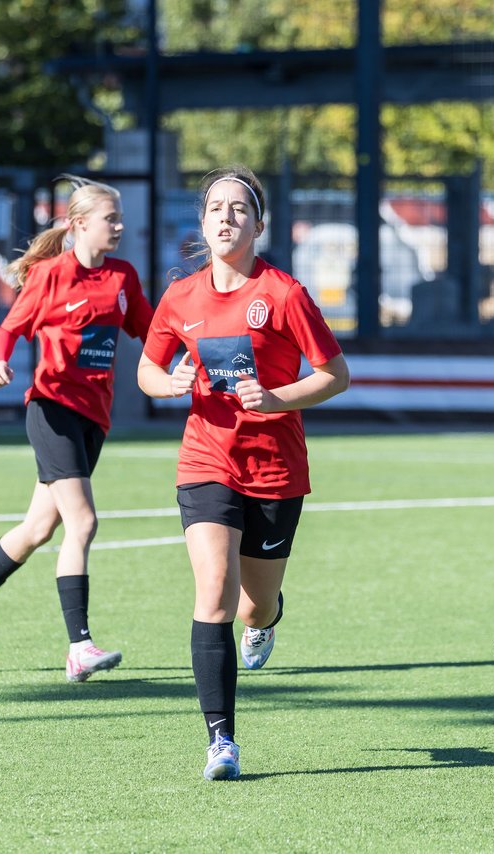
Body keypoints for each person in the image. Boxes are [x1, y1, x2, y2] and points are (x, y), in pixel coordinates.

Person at [137, 166, 350, 780]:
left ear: (259, 224)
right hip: (207, 459)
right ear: (202, 224)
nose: (226, 217)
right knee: (214, 593)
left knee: (254, 608)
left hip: (277, 470)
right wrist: (169, 382)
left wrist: (279, 398)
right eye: (215, 208)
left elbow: (335, 373)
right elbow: (148, 371)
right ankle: (221, 741)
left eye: (239, 208)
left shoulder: (283, 293)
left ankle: (269, 616)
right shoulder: (180, 296)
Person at [0, 175, 153, 683]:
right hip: (52, 408)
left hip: (93, 418)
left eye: (120, 219)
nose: (119, 227)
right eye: (111, 219)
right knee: (82, 524)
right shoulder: (51, 278)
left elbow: (151, 331)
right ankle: (79, 646)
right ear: (79, 224)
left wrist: (194, 358)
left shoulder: (123, 278)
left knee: (40, 529)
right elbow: (10, 328)